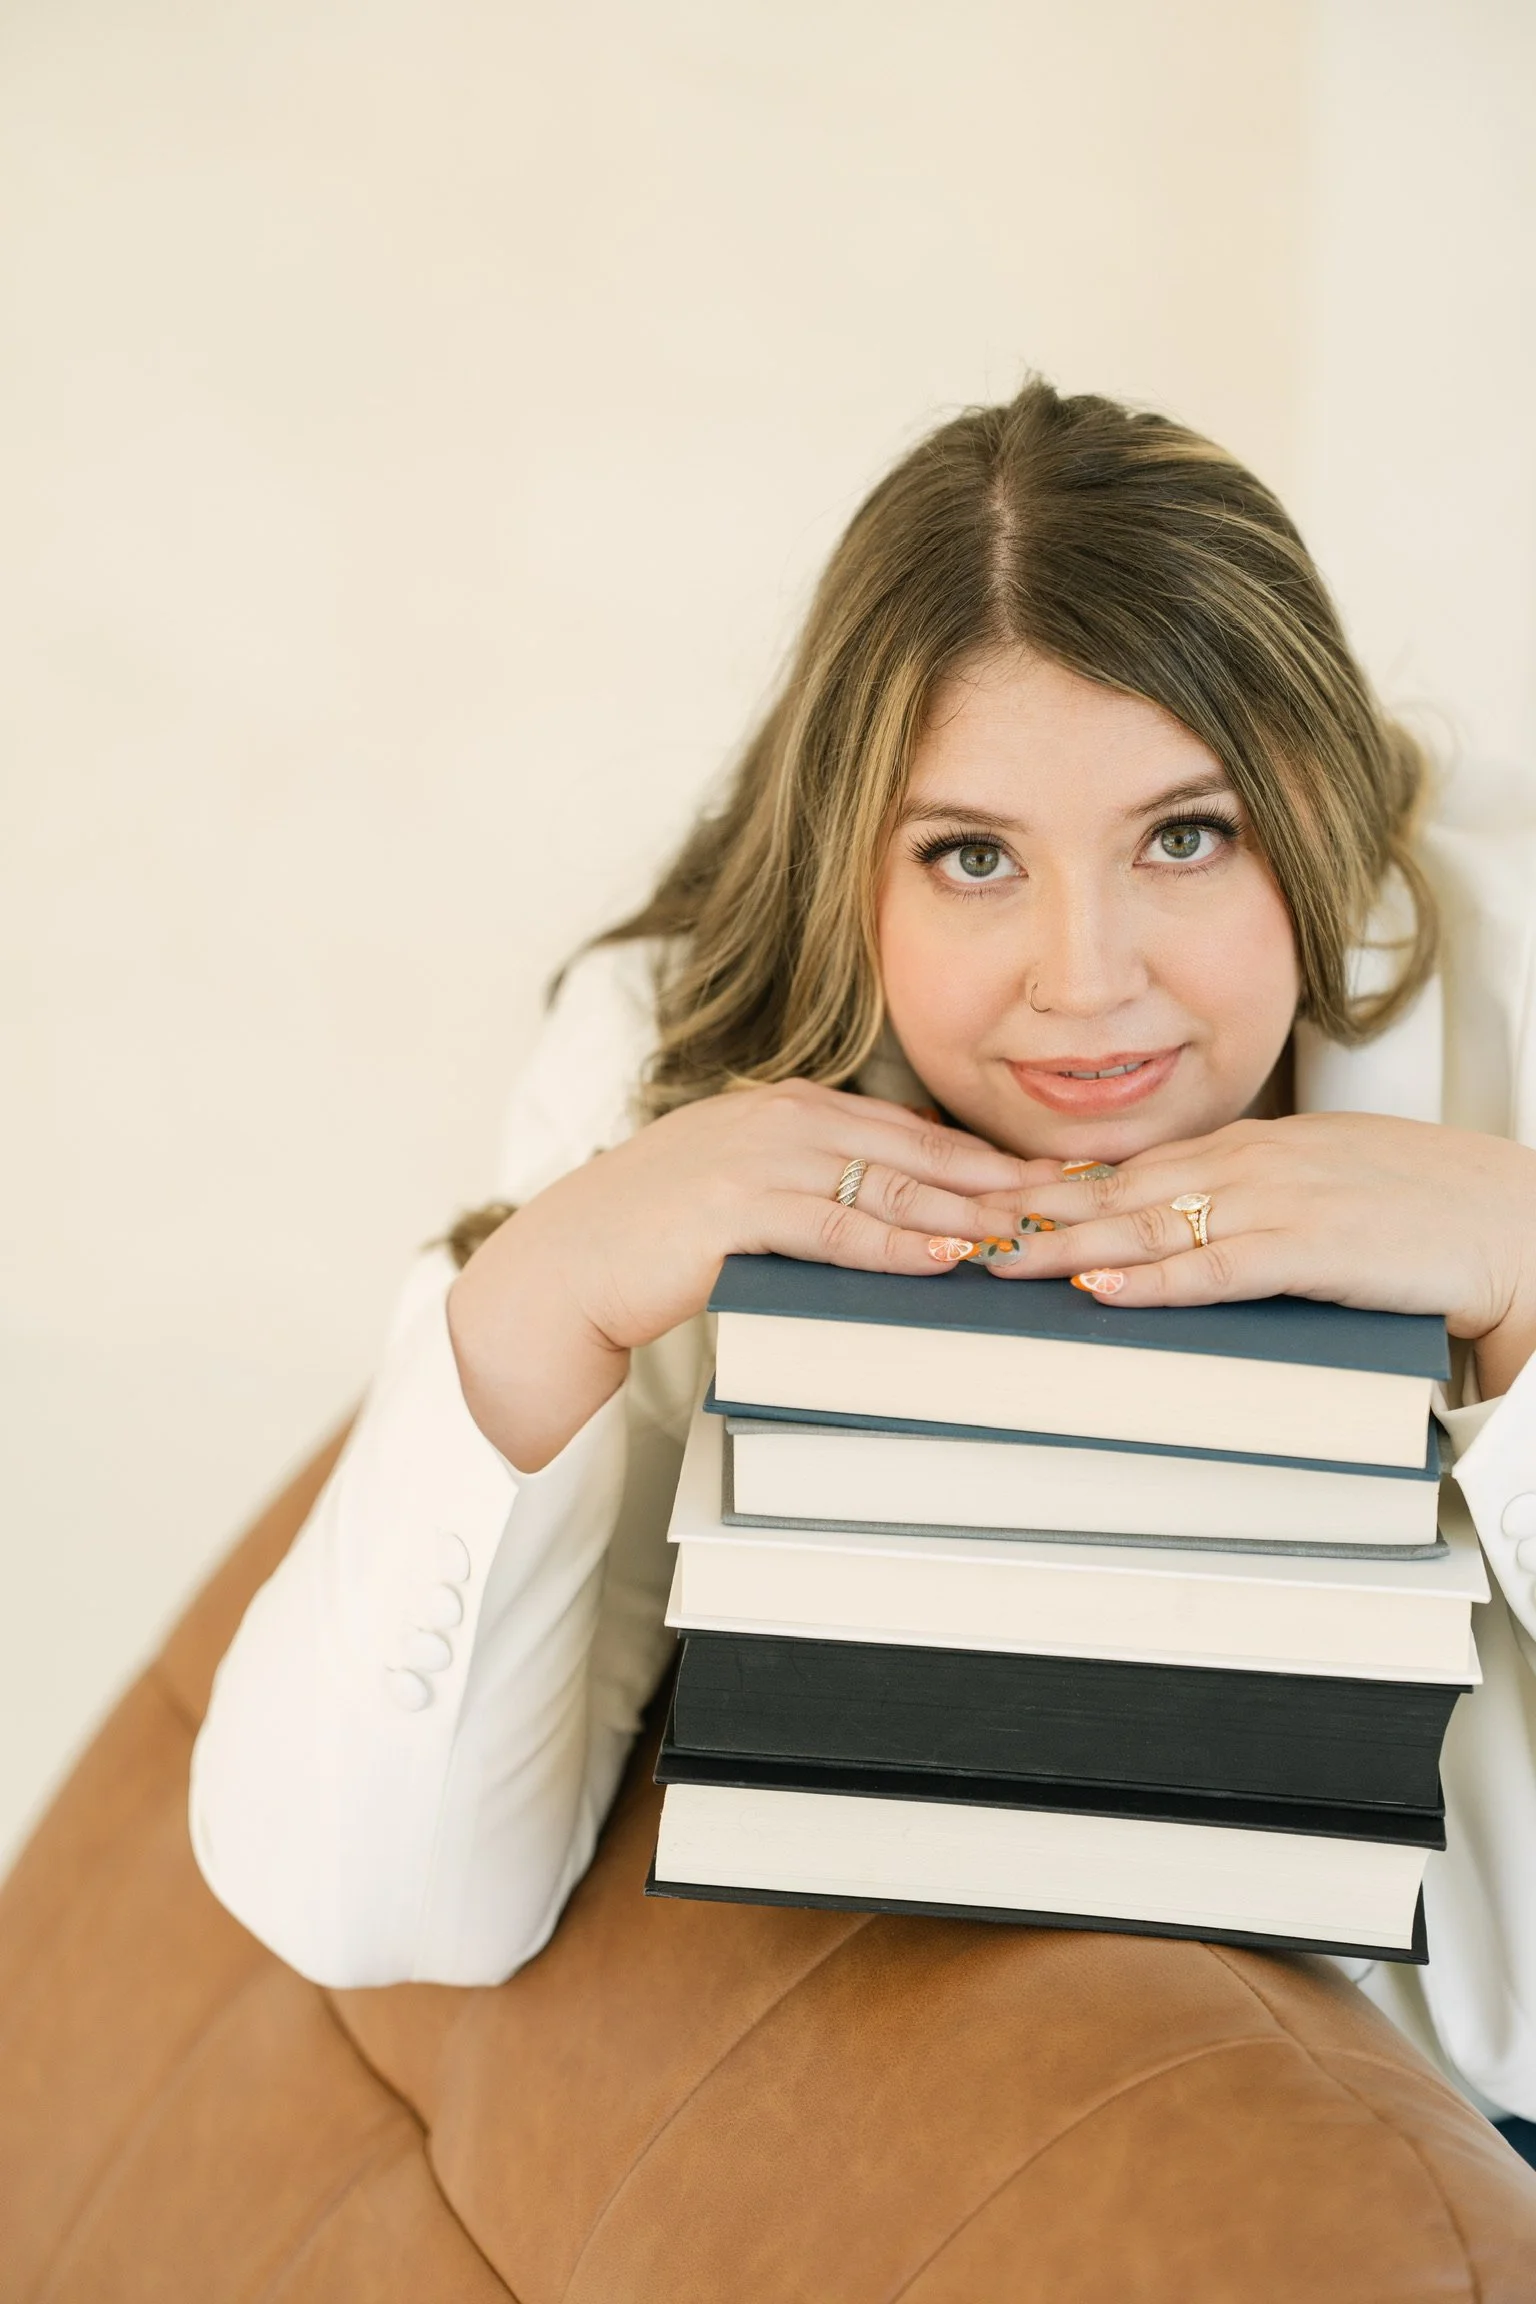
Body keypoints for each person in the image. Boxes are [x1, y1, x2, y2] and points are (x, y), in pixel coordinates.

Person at [188, 378, 1536, 2129]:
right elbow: (372, 1901)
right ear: (853, 863)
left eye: (1184, 836)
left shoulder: (1506, 977)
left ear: (1323, 801)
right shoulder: (674, 1068)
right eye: (973, 856)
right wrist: (545, 1288)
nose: (1087, 976)